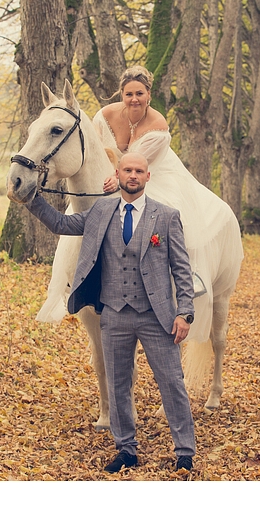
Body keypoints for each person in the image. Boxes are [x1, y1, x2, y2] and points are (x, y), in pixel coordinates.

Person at [34, 66, 242, 352]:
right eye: (129, 93)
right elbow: (95, 151)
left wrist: (118, 177)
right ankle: (71, 278)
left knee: (172, 216)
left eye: (140, 94)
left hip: (150, 175)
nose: (134, 99)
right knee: (77, 214)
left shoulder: (159, 126)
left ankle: (187, 281)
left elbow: (139, 165)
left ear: (149, 95)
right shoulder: (105, 116)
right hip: (112, 173)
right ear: (122, 94)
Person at [23, 151, 198, 473]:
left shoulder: (167, 216)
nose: (132, 175)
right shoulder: (99, 211)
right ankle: (126, 448)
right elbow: (61, 223)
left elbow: (182, 270)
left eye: (139, 171)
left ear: (147, 177)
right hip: (114, 314)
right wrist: (30, 198)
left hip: (156, 314)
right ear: (117, 175)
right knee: (117, 383)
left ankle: (185, 451)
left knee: (171, 382)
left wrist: (184, 312)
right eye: (127, 170)